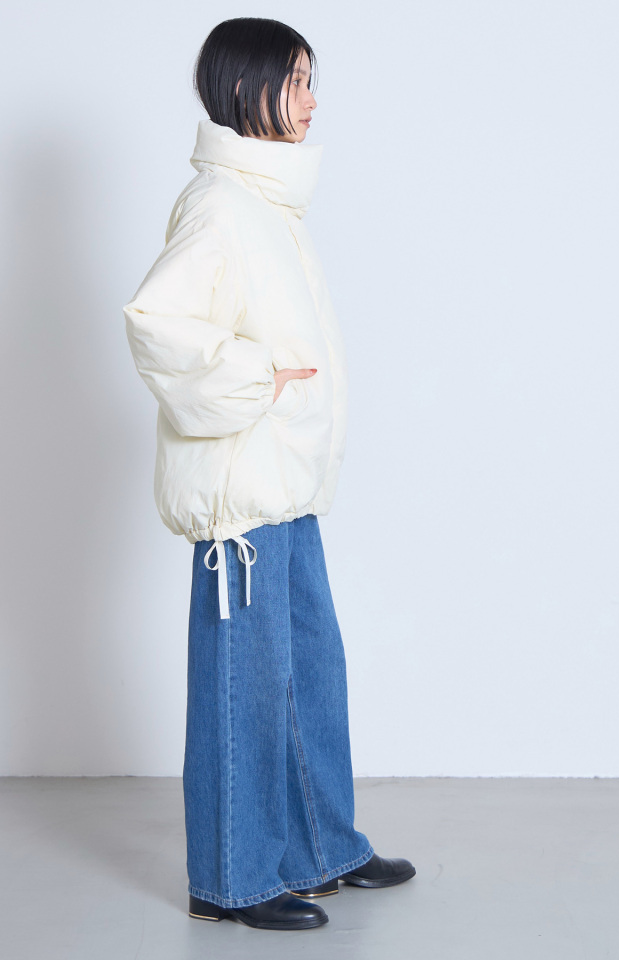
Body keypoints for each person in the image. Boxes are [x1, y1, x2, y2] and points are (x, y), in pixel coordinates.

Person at [123, 16, 415, 932]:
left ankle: (323, 848)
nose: (312, 100)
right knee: (245, 687)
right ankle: (232, 880)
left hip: (286, 489)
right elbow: (156, 323)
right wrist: (256, 376)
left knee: (310, 672)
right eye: (295, 81)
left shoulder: (268, 205)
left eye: (310, 80)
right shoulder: (219, 205)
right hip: (240, 506)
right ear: (246, 88)